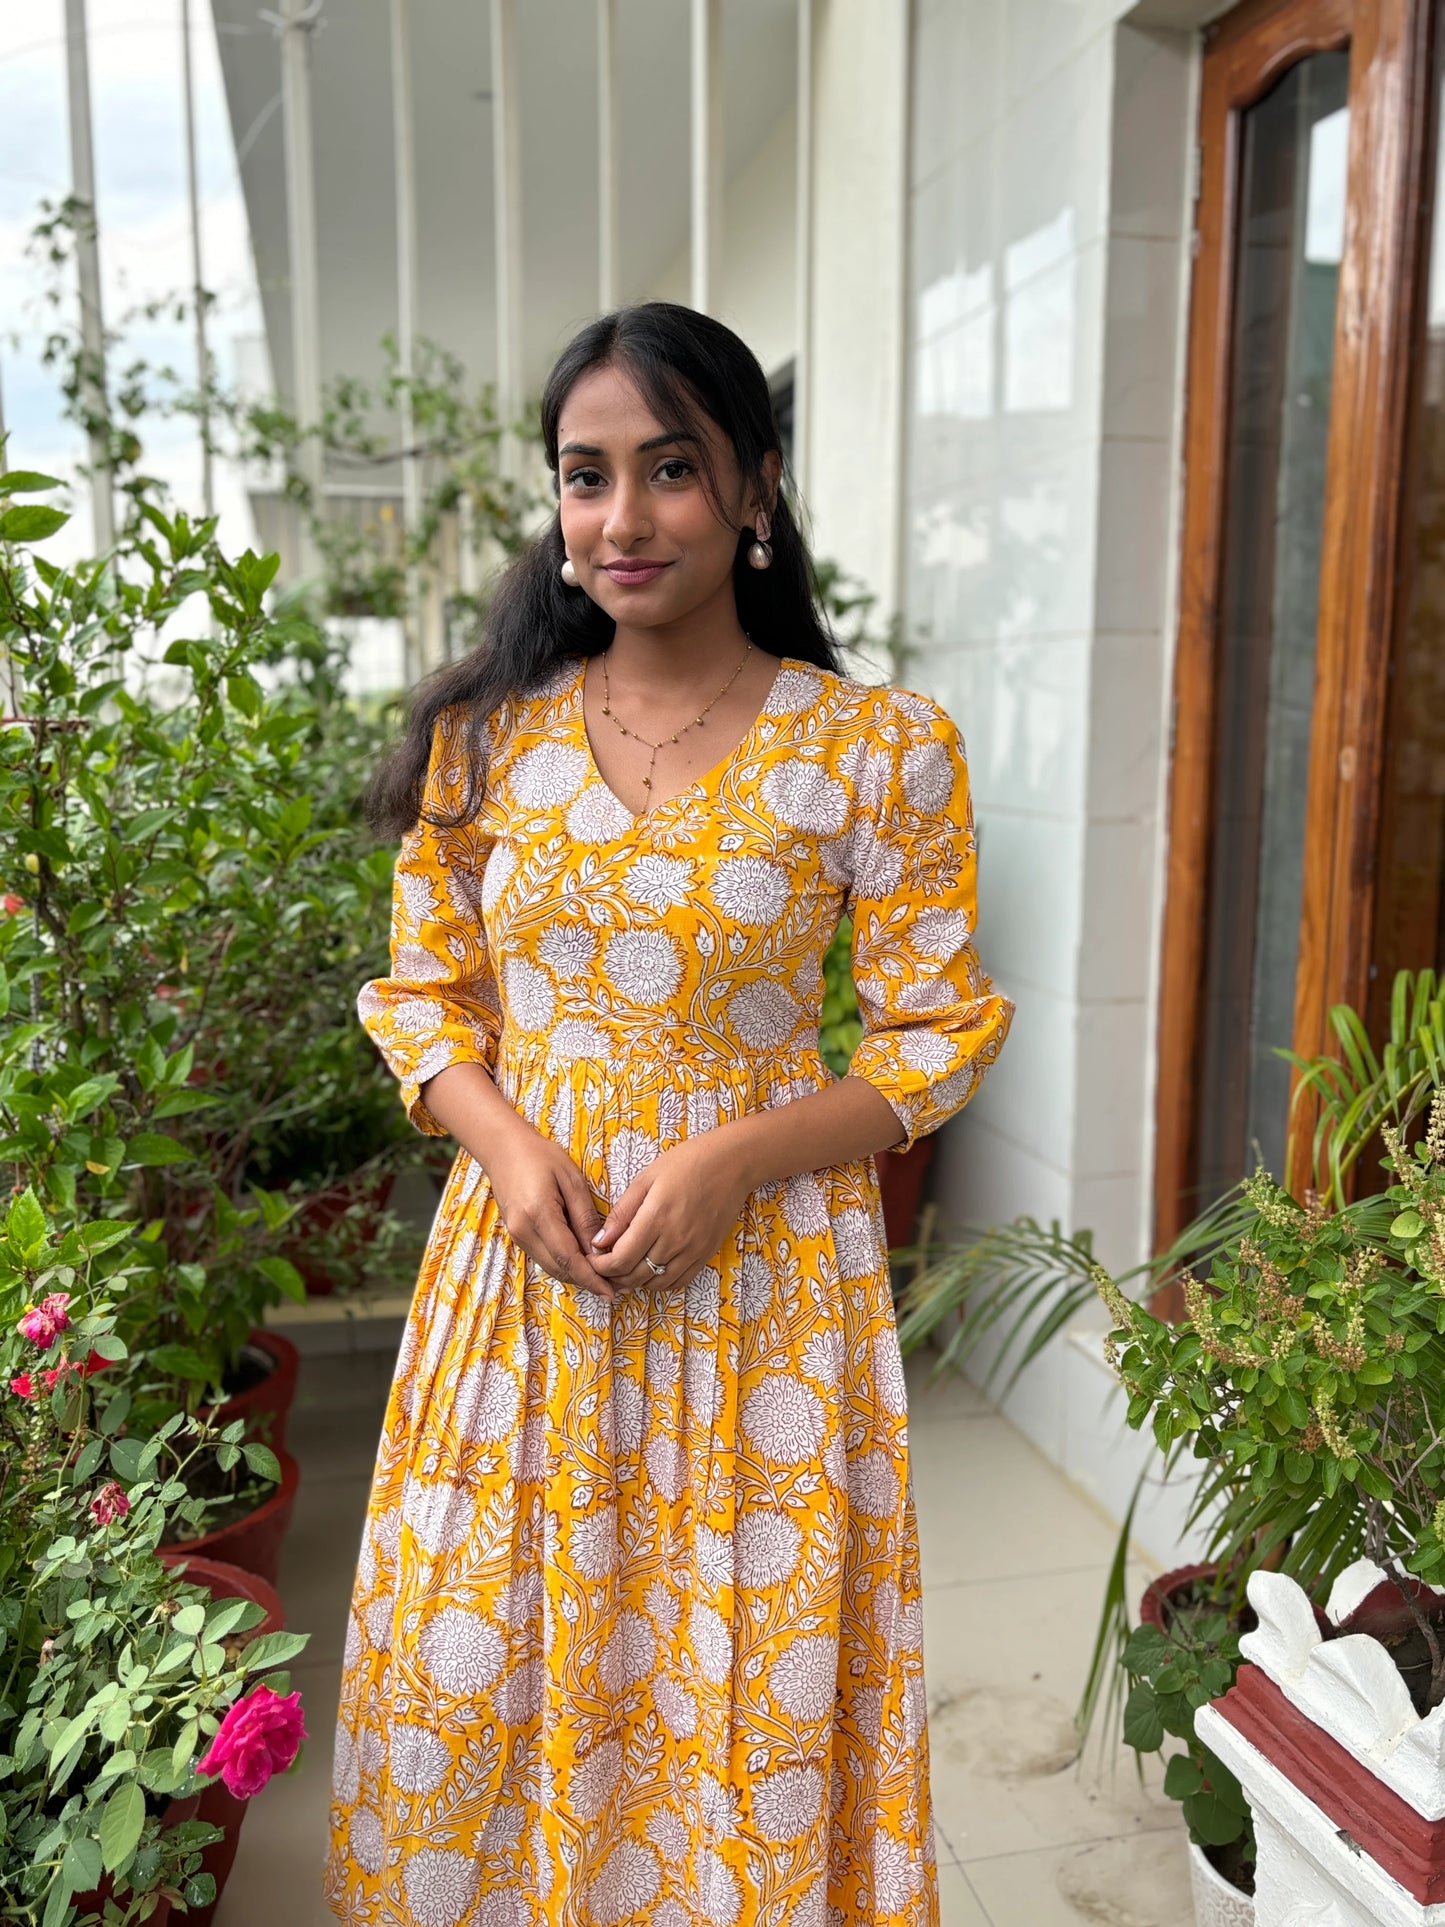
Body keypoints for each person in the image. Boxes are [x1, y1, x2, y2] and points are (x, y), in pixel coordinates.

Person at [325, 301, 1013, 1927]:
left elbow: (931, 1041)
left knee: (732, 1715)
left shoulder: (875, 752)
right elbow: (423, 1001)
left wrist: (730, 1155)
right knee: (467, 1685)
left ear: (756, 492)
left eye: (671, 469)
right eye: (584, 476)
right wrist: (504, 1143)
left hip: (767, 1311)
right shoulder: (480, 746)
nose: (621, 518)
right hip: (520, 1299)